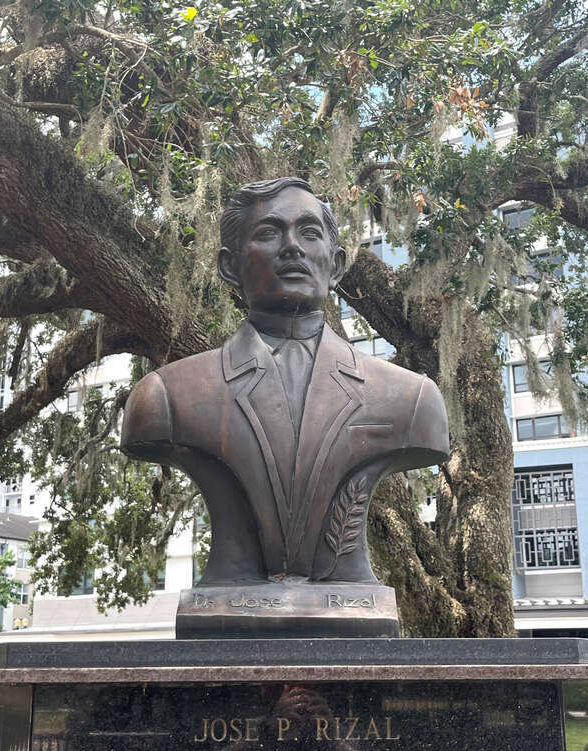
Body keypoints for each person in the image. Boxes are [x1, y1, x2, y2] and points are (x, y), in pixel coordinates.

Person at [121, 177, 448, 586]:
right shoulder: (165, 398)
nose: (292, 246)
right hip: (229, 596)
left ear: (337, 265)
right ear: (229, 266)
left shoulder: (412, 400)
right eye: (269, 233)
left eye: (309, 233)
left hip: (350, 601)